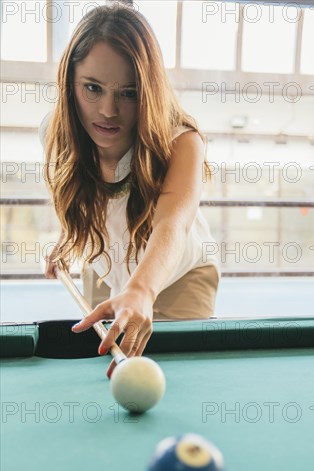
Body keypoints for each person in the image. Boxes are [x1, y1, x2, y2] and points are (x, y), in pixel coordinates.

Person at [40, 3, 220, 366]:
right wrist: (67, 234)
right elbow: (84, 190)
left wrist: (140, 290)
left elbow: (173, 222)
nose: (108, 110)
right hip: (105, 264)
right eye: (93, 88)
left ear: (149, 92)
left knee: (174, 376)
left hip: (175, 276)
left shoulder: (182, 141)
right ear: (69, 81)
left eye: (128, 93)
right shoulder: (55, 132)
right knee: (100, 367)